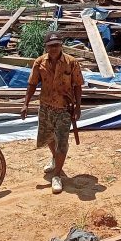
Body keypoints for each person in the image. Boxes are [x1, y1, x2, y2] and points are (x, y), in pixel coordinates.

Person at [20, 31, 83, 194]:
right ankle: (55, 158)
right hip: (46, 107)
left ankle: (57, 176)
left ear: (61, 45)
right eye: (50, 46)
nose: (54, 48)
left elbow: (77, 85)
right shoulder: (39, 63)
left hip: (64, 108)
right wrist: (25, 104)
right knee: (47, 137)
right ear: (46, 47)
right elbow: (32, 84)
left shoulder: (72, 62)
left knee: (62, 142)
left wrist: (78, 107)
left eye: (56, 45)